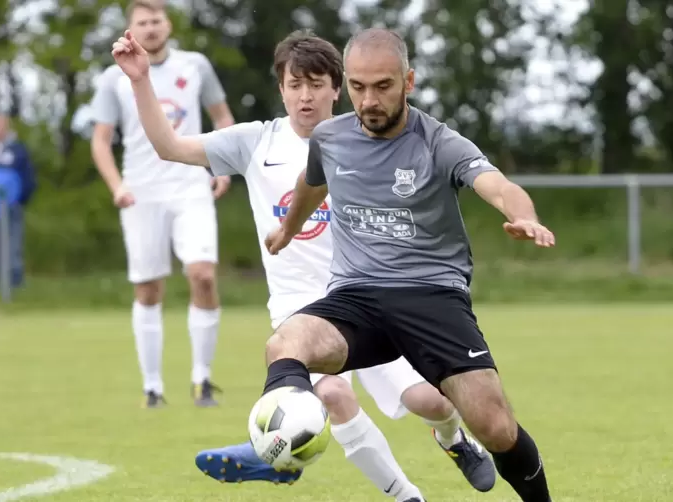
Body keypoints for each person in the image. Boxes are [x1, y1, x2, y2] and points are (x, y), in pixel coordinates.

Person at [109, 29, 496, 501]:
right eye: (295, 85)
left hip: (374, 295)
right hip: (302, 309)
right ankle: (406, 497)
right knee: (332, 396)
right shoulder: (256, 142)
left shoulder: (375, 138)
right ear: (282, 90)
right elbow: (169, 146)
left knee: (431, 401)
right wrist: (141, 80)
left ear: (339, 88)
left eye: (316, 84)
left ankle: (453, 438)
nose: (305, 96)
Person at [263, 28, 556, 502]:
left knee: (497, 428)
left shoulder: (439, 142)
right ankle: (282, 429)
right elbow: (312, 181)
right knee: (285, 343)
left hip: (432, 296)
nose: (369, 100)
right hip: (356, 297)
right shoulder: (331, 137)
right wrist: (289, 229)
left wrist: (523, 216)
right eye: (357, 87)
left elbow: (498, 185)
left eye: (382, 86)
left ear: (408, 81)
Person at [90, 0, 235, 408]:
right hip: (143, 192)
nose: (151, 28)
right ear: (130, 29)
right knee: (149, 289)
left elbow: (223, 118)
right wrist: (117, 186)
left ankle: (201, 380)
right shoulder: (112, 78)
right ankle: (152, 386)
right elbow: (101, 140)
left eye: (156, 20)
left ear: (168, 24)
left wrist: (222, 166)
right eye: (142, 22)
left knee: (203, 276)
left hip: (191, 185)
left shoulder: (196, 66)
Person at [0, 113, 36, 289]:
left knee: (11, 245)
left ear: (6, 127)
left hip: (9, 207)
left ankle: (12, 284)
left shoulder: (17, 150)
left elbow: (28, 178)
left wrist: (19, 199)